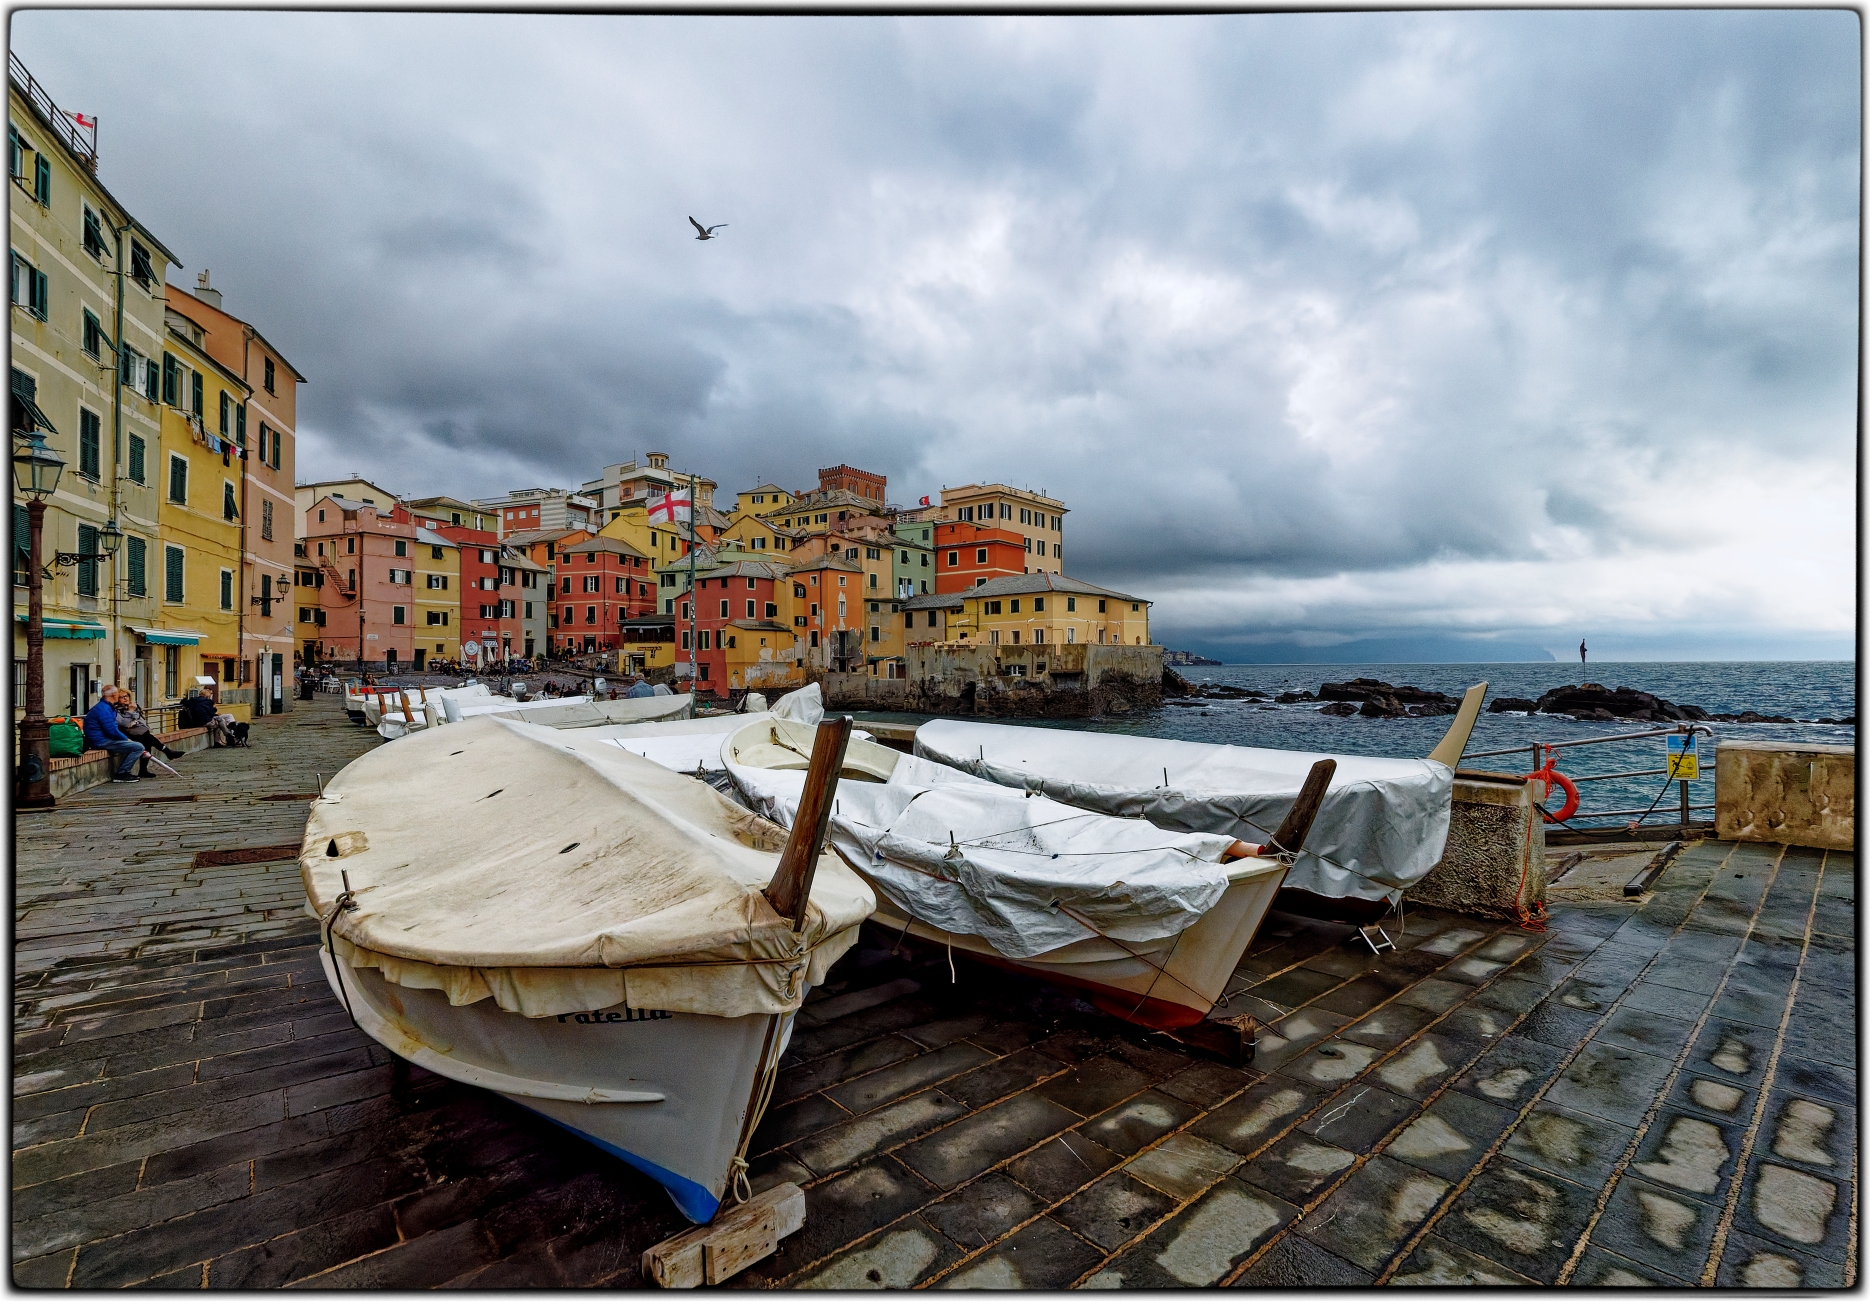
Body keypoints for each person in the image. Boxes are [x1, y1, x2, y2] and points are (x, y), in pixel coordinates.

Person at [83, 686, 144, 783]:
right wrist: (126, 739)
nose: (119, 695)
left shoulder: (106, 707)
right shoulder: (103, 709)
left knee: (137, 744)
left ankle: (125, 772)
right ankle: (122, 773)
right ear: (114, 695)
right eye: (118, 693)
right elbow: (111, 730)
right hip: (101, 741)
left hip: (102, 739)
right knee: (138, 747)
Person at [116, 694, 182, 778]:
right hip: (127, 733)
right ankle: (167, 752)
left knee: (147, 742)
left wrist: (135, 720)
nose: (125, 698)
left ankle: (144, 770)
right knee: (146, 738)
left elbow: (140, 719)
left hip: (139, 731)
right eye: (122, 697)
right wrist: (131, 711)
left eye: (127, 696)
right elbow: (124, 723)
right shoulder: (117, 710)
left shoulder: (134, 706)